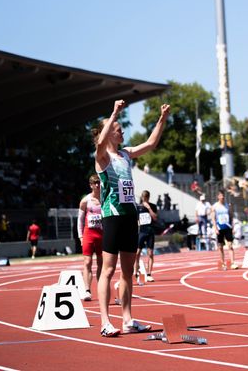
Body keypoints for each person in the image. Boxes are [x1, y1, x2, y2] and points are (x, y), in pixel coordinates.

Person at [93, 99, 170, 338]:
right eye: (119, 129)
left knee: (128, 272)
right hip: (112, 217)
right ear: (110, 134)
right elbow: (100, 141)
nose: (123, 131)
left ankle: (127, 319)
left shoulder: (126, 155)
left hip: (129, 216)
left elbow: (150, 143)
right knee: (107, 270)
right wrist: (114, 112)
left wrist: (162, 119)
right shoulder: (102, 157)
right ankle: (105, 321)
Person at [77, 174, 103, 301]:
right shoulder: (85, 201)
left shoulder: (105, 198)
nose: (97, 185)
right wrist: (80, 236)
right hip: (89, 234)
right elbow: (80, 220)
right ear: (91, 185)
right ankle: (87, 290)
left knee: (101, 263)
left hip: (102, 235)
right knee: (87, 262)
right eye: (95, 183)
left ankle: (101, 288)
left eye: (99, 182)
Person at [211, 189, 238, 270]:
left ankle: (233, 263)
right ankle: (223, 263)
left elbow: (231, 216)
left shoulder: (228, 205)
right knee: (220, 247)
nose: (222, 197)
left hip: (228, 227)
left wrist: (232, 227)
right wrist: (215, 228)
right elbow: (213, 218)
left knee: (230, 245)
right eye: (221, 196)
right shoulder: (214, 206)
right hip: (220, 228)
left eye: (223, 196)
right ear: (218, 197)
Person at [135, 190, 157, 282]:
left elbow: (155, 218)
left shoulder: (153, 206)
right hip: (142, 232)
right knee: (137, 253)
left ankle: (149, 274)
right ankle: (135, 271)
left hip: (150, 232)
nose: (145, 199)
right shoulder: (138, 207)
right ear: (142, 197)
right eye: (144, 197)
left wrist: (149, 208)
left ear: (148, 197)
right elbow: (136, 220)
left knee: (150, 253)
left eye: (146, 197)